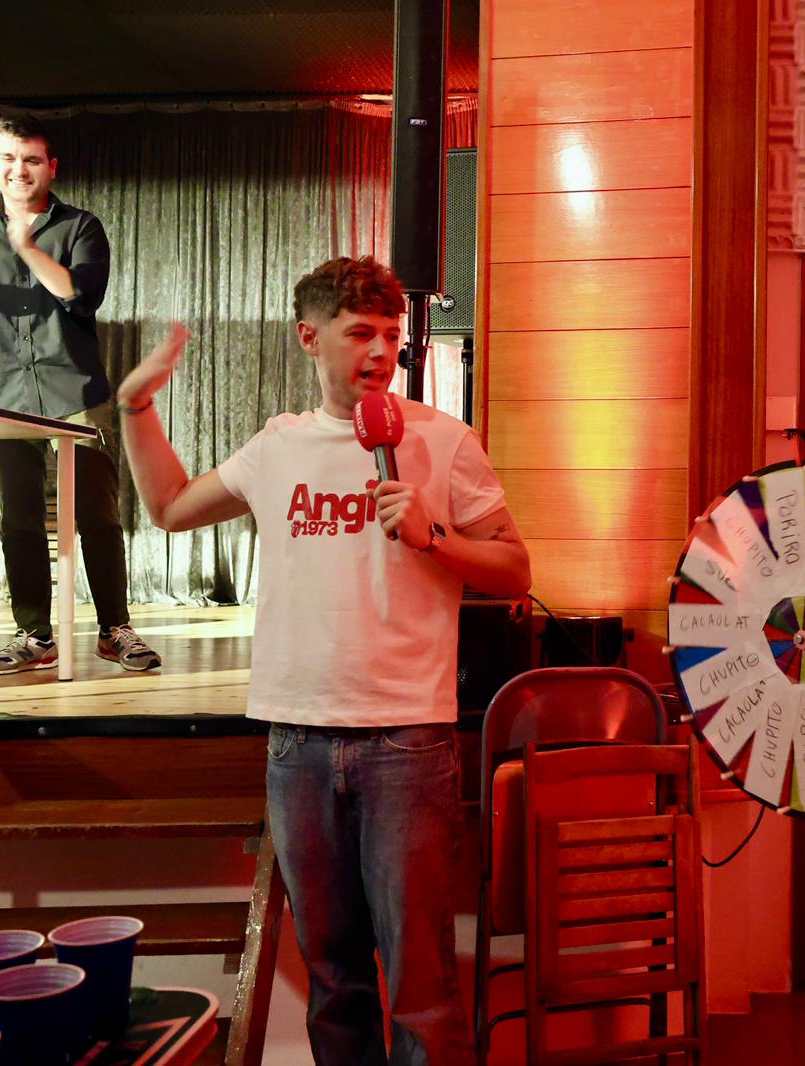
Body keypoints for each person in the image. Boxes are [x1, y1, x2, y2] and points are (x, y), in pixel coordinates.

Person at [116, 255, 529, 1065]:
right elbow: (168, 507)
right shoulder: (278, 447)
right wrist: (136, 406)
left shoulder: (444, 440)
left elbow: (516, 570)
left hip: (407, 742)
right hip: (296, 741)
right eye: (360, 333)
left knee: (421, 980)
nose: (380, 352)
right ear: (311, 338)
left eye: (391, 336)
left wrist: (436, 536)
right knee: (335, 978)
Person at [0, 113, 159, 674]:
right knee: (18, 519)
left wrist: (26, 246)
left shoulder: (79, 226)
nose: (18, 170)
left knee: (97, 513)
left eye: (30, 160)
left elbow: (79, 295)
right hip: (0, 389)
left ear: (51, 166)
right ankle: (34, 636)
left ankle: (114, 629)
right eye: (7, 158)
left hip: (73, 387)